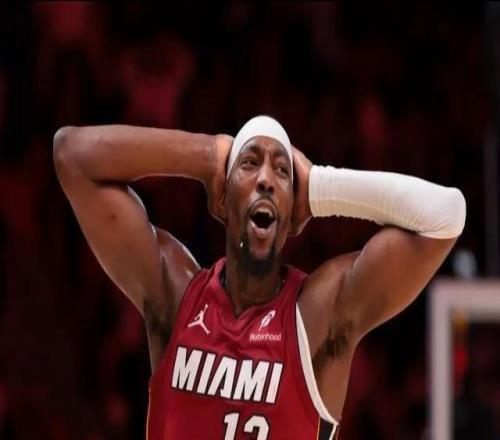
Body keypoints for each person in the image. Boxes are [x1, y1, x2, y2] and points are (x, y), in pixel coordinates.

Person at [53, 115, 466, 439]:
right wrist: (206, 155)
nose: (266, 179)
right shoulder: (175, 294)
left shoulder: (317, 315)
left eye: (282, 172)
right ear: (221, 198)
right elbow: (71, 154)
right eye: (249, 163)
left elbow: (446, 215)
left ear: (293, 214)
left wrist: (322, 186)